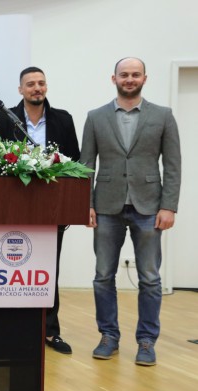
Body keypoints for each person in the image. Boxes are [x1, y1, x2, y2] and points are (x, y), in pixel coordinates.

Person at [81, 57, 181, 366]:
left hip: (149, 207)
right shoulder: (95, 117)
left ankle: (147, 341)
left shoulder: (163, 116)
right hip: (106, 206)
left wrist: (169, 206)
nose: (129, 79)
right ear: (114, 79)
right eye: (124, 74)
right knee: (102, 276)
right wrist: (86, 204)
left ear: (144, 79)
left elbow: (173, 165)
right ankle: (108, 336)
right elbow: (86, 165)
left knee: (150, 277)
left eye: (135, 74)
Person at [0, 66, 80, 354]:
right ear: (21, 90)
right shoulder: (5, 118)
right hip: (14, 206)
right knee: (14, 267)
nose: (36, 88)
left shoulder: (63, 119)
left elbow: (75, 163)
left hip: (51, 208)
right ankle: (13, 328)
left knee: (48, 269)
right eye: (30, 84)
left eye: (41, 83)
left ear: (46, 87)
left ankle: (50, 330)